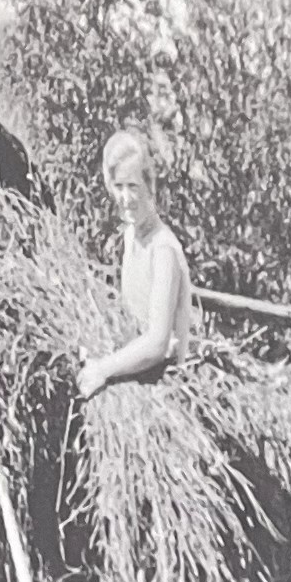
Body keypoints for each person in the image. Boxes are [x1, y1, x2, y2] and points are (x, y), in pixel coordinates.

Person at [77, 130, 196, 398]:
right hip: (139, 365)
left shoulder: (163, 249)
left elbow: (157, 343)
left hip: (164, 382)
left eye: (133, 186)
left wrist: (102, 369)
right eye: (119, 186)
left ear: (149, 186)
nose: (126, 198)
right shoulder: (131, 235)